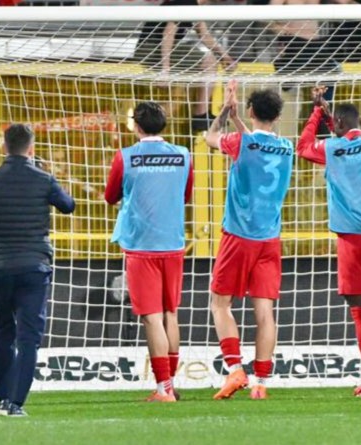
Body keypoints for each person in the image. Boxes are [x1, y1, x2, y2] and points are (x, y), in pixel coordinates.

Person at [297, 87, 361, 397]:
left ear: (337, 124)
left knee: (360, 311)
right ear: (359, 121)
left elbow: (303, 147)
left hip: (354, 240)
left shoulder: (332, 149)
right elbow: (347, 138)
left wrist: (316, 113)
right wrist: (330, 117)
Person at [0, 124, 75, 417]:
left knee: (2, 331)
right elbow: (69, 206)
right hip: (34, 266)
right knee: (28, 336)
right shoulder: (44, 180)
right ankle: (16, 402)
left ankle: (2, 397)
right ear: (30, 148)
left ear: (4, 147)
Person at [204, 81, 294, 400]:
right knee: (264, 311)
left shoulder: (240, 142)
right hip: (270, 239)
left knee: (219, 303)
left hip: (239, 235)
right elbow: (255, 143)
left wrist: (225, 114)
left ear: (251, 111)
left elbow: (210, 139)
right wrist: (238, 118)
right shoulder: (287, 147)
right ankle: (261, 382)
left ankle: (235, 370)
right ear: (278, 117)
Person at [104, 102, 193, 403]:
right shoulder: (184, 155)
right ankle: (171, 384)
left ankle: (163, 389)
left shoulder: (125, 157)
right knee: (170, 312)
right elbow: (186, 194)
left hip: (142, 245)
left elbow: (110, 196)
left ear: (137, 127)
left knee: (151, 317)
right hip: (174, 243)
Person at [134, 0, 236, 132]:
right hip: (150, 49)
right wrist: (165, 70)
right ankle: (200, 115)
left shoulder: (194, 6)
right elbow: (168, 34)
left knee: (206, 66)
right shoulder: (186, 2)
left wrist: (224, 56)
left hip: (154, 49)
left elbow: (204, 35)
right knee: (209, 61)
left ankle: (199, 114)